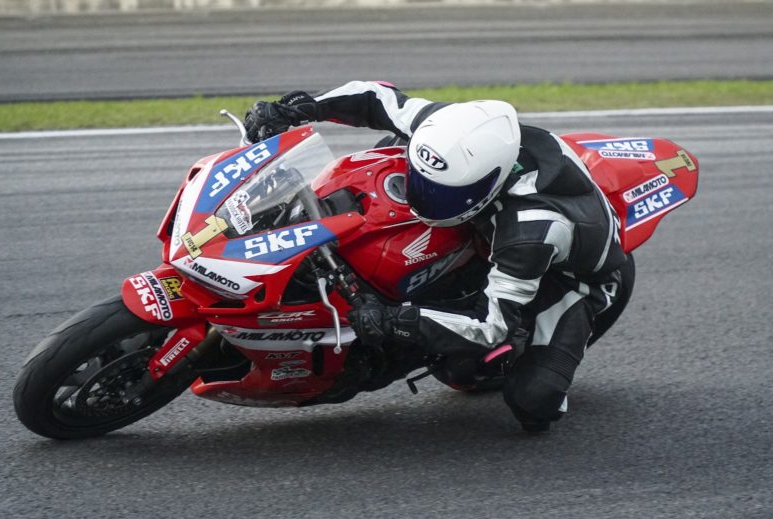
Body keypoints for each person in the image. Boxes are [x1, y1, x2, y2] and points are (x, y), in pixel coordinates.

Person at [243, 80, 634, 432]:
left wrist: (398, 320)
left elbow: (490, 324)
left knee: (534, 404)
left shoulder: (531, 231)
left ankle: (529, 354)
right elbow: (376, 97)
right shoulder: (449, 130)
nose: (421, 199)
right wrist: (299, 107)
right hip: (489, 229)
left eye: (440, 192)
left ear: (488, 185)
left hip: (569, 280)